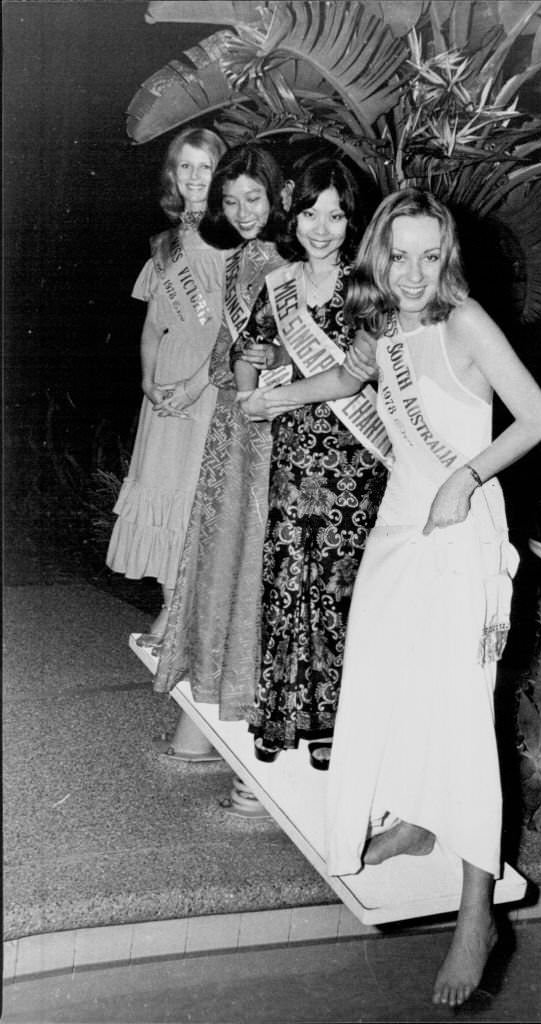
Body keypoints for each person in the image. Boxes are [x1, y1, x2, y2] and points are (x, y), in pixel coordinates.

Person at [247, 188, 541, 1007]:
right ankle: (417, 818)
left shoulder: (466, 323)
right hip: (397, 529)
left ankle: (475, 920)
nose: (414, 273)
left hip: (461, 531)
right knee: (389, 680)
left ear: (446, 256)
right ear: (378, 255)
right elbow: (349, 375)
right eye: (400, 255)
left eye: (429, 255)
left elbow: (536, 417)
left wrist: (465, 476)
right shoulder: (383, 322)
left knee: (461, 715)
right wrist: (283, 393)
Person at [233, 158, 389, 759]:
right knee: (288, 575)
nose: (320, 228)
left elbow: (354, 376)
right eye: (310, 213)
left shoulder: (366, 283)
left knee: (337, 585)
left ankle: (332, 724)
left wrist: (273, 396)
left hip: (354, 456)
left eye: (336, 214)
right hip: (296, 453)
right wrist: (250, 383)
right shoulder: (280, 281)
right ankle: (280, 715)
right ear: (292, 214)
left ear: (351, 221)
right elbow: (249, 347)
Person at [154, 142, 292, 726]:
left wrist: (275, 356)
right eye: (230, 201)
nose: (242, 211)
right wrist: (204, 381)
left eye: (253, 198)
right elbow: (223, 354)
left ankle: (245, 696)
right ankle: (215, 690)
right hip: (232, 425)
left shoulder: (293, 259)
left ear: (278, 196)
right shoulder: (237, 259)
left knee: (255, 553)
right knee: (225, 550)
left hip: (274, 424)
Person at [106, 127, 227, 646]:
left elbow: (236, 332)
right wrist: (150, 381)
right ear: (173, 175)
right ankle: (170, 609)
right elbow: (153, 327)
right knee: (160, 494)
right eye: (186, 167)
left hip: (211, 388)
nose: (195, 177)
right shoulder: (165, 246)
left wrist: (196, 385)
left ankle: (181, 618)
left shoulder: (240, 244)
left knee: (192, 499)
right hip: (164, 393)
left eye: (206, 167)